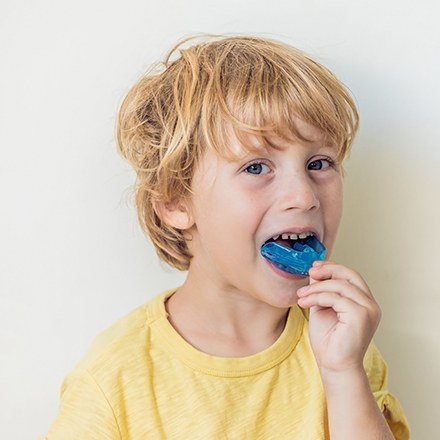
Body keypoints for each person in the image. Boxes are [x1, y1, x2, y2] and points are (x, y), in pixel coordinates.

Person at [43, 35, 410, 439]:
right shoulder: (114, 380)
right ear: (175, 202)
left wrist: (343, 373)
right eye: (256, 168)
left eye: (319, 163)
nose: (304, 196)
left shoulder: (342, 342)